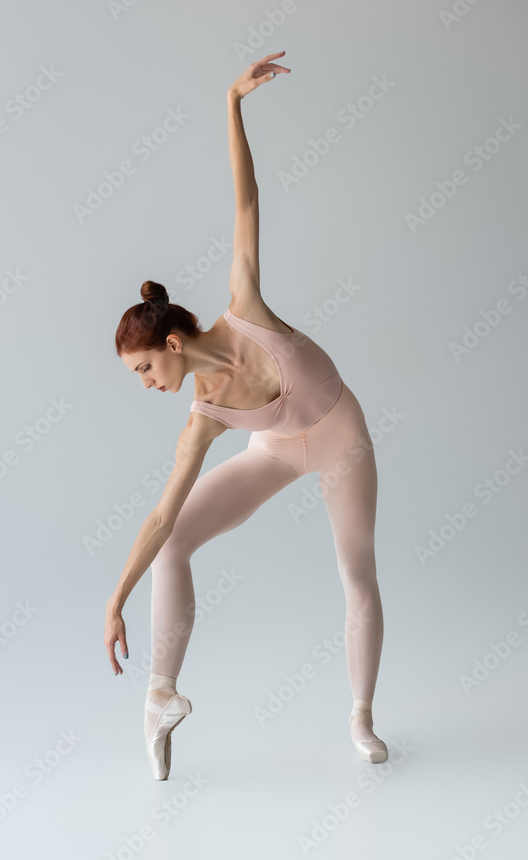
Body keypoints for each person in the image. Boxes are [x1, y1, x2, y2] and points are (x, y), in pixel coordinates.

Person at [105, 52, 387, 779]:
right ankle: (160, 696)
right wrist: (116, 600)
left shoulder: (245, 308)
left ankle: (360, 716)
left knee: (355, 572)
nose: (145, 385)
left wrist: (231, 102)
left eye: (144, 370)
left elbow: (247, 200)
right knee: (176, 544)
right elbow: (161, 517)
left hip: (342, 442)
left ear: (171, 344)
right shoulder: (201, 418)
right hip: (275, 452)